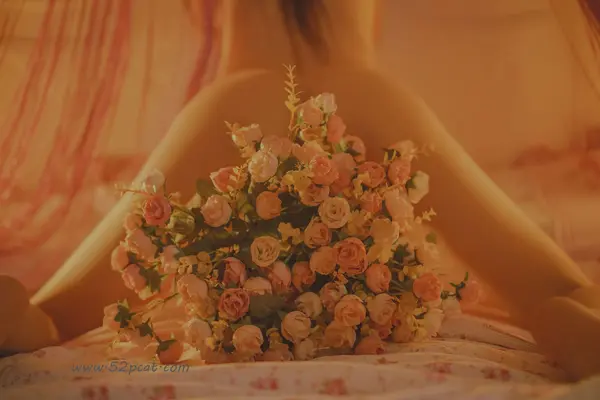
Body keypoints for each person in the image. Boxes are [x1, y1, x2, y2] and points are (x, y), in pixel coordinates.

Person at [1, 0, 599, 382]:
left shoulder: (226, 108)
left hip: (240, 282)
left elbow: (54, 318)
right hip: (364, 284)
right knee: (559, 299)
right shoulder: (375, 100)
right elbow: (554, 287)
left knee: (41, 317)